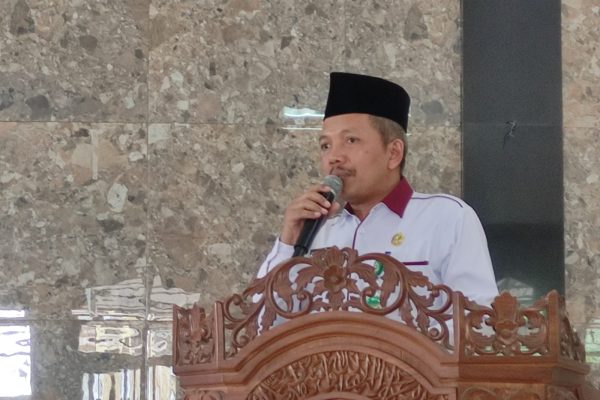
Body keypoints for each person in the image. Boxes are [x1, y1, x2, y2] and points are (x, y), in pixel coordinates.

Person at [257, 72, 498, 307]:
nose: (333, 157)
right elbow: (260, 323)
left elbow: (479, 321)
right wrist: (289, 240)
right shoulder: (319, 231)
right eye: (325, 145)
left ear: (393, 153)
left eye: (351, 140)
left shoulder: (447, 218)